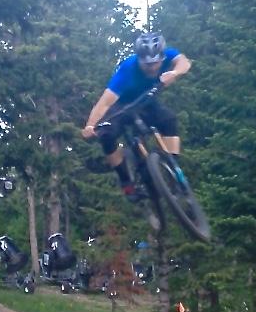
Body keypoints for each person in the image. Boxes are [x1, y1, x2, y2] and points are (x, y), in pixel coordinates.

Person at [82, 32, 192, 201]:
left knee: (169, 119)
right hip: (121, 105)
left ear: (162, 57)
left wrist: (175, 73)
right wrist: (90, 125)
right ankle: (126, 183)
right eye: (147, 65)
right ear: (139, 59)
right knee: (106, 136)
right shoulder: (127, 70)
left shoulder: (167, 55)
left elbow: (184, 61)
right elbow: (104, 103)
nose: (152, 68)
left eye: (156, 63)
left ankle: (173, 168)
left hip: (146, 101)